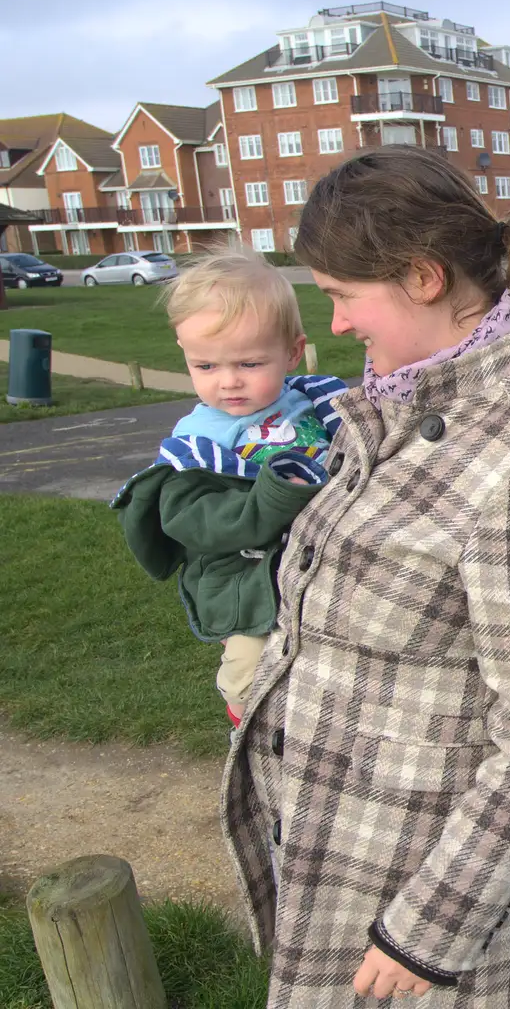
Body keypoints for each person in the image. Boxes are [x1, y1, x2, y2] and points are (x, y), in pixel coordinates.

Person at [221, 146, 510, 1008]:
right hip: (345, 843)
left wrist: (428, 931)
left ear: (423, 277)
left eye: (340, 296)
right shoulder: (404, 393)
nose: (333, 326)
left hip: (416, 901)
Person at [112, 249, 346, 727]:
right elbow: (195, 524)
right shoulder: (196, 443)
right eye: (206, 367)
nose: (229, 382)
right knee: (247, 672)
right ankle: (253, 737)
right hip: (247, 583)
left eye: (249, 363)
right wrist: (276, 495)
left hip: (327, 566)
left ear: (293, 352)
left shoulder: (316, 402)